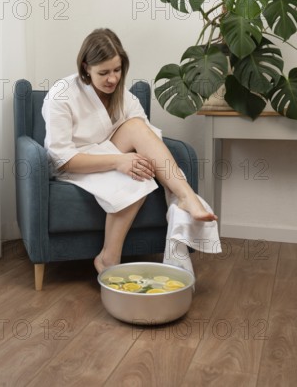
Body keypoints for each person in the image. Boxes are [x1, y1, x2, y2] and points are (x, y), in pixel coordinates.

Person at [42, 28, 221, 275]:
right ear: (85, 68)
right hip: (77, 163)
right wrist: (119, 162)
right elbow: (62, 158)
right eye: (103, 73)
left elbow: (147, 139)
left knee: (137, 128)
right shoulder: (61, 95)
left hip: (110, 151)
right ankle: (108, 259)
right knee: (136, 179)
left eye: (117, 70)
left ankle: (185, 196)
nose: (112, 79)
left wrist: (126, 160)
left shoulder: (123, 96)